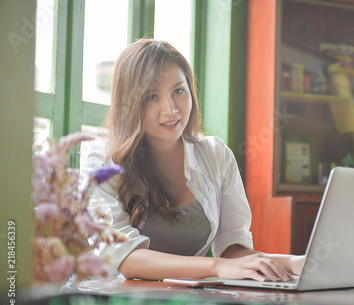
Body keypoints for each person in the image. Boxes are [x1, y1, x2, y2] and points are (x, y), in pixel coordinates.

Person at [81, 38, 303, 282]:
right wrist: (214, 267)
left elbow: (232, 249)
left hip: (184, 303)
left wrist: (293, 262)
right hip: (108, 302)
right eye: (152, 96)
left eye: (178, 91)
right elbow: (127, 259)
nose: (171, 109)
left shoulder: (216, 155)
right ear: (129, 103)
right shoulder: (101, 163)